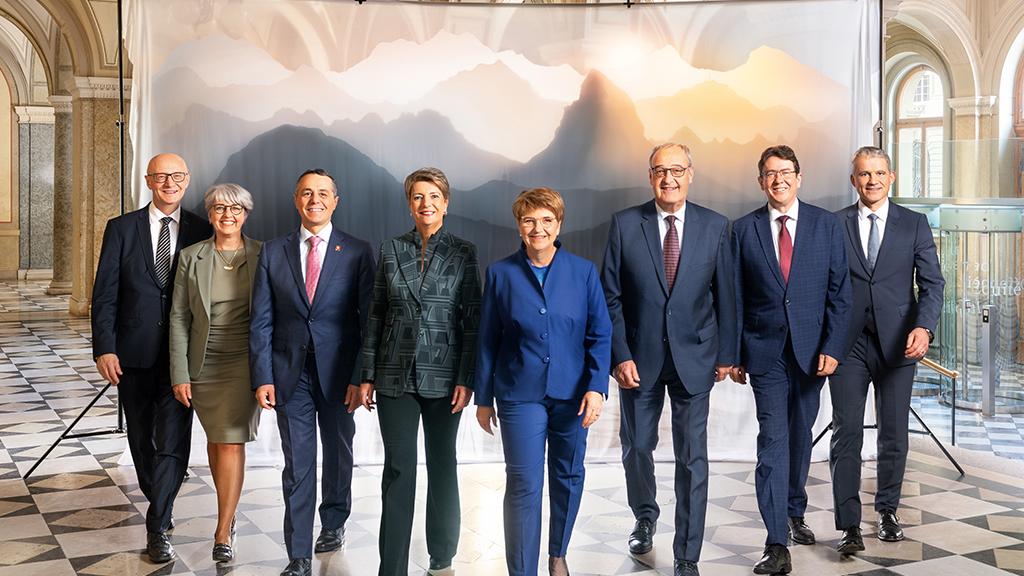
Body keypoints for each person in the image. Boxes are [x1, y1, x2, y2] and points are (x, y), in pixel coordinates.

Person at [600, 143, 736, 576]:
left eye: (677, 170)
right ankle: (645, 515)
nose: (669, 178)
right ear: (650, 176)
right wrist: (619, 355)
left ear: (691, 174)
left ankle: (687, 554)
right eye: (660, 170)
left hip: (695, 356)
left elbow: (727, 298)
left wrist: (726, 355)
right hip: (638, 359)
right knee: (637, 446)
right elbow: (610, 297)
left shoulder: (715, 226)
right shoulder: (625, 224)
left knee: (692, 457)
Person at [475, 187, 612, 576]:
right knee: (523, 483)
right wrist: (484, 398)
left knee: (568, 476)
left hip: (574, 395)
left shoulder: (583, 271)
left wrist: (596, 387)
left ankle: (558, 553)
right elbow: (488, 339)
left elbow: (600, 334)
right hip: (520, 394)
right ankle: (522, 571)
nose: (538, 228)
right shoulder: (500, 273)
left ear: (559, 224)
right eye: (529, 220)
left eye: (547, 220)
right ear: (519, 225)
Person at [730, 145, 851, 575]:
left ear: (799, 178)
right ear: (760, 181)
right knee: (773, 441)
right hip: (764, 355)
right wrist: (734, 354)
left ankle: (794, 508)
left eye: (785, 172)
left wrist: (833, 347)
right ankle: (775, 541)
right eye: (769, 173)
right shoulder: (743, 230)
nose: (778, 179)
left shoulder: (825, 225)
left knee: (801, 435)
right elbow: (735, 298)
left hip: (812, 353)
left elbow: (840, 293)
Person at [354, 168, 482, 575]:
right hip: (394, 377)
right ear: (409, 203)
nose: (425, 204)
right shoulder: (391, 249)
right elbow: (376, 314)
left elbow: (472, 321)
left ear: (446, 202)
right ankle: (391, 567)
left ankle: (441, 556)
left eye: (433, 196)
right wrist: (367, 374)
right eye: (417, 197)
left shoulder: (464, 251)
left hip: (446, 379)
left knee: (443, 463)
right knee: (398, 469)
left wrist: (467, 378)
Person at [249, 168, 376, 576]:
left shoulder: (357, 251)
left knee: (338, 454)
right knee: (298, 464)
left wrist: (360, 377)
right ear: (296, 200)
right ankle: (298, 554)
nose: (314, 200)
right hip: (290, 374)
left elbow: (368, 320)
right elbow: (261, 322)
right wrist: (262, 375)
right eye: (306, 193)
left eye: (323, 193)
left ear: (335, 201)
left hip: (341, 375)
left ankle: (334, 521)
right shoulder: (272, 252)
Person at [91, 153, 213, 563]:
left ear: (187, 179)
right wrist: (104, 348)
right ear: (148, 180)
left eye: (177, 175)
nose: (169, 183)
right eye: (161, 176)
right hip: (132, 353)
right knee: (142, 438)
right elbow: (104, 294)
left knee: (175, 440)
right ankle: (160, 497)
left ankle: (157, 523)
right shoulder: (121, 228)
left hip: (184, 356)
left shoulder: (202, 227)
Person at [829, 146, 944, 555]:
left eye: (879, 173)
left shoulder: (914, 224)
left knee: (894, 434)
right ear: (853, 180)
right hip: (847, 344)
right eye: (864, 174)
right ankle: (849, 524)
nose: (872, 180)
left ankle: (888, 511)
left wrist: (924, 328)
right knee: (847, 434)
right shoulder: (834, 224)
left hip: (899, 344)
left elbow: (933, 285)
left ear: (891, 177)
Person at [169, 183, 262, 562]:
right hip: (202, 363)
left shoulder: (263, 254)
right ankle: (230, 508)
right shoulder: (191, 257)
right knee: (216, 440)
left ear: (245, 214)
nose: (227, 216)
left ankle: (223, 529)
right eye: (220, 209)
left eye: (235, 209)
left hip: (244, 361)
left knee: (229, 441)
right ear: (209, 215)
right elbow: (178, 317)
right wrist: (179, 371)